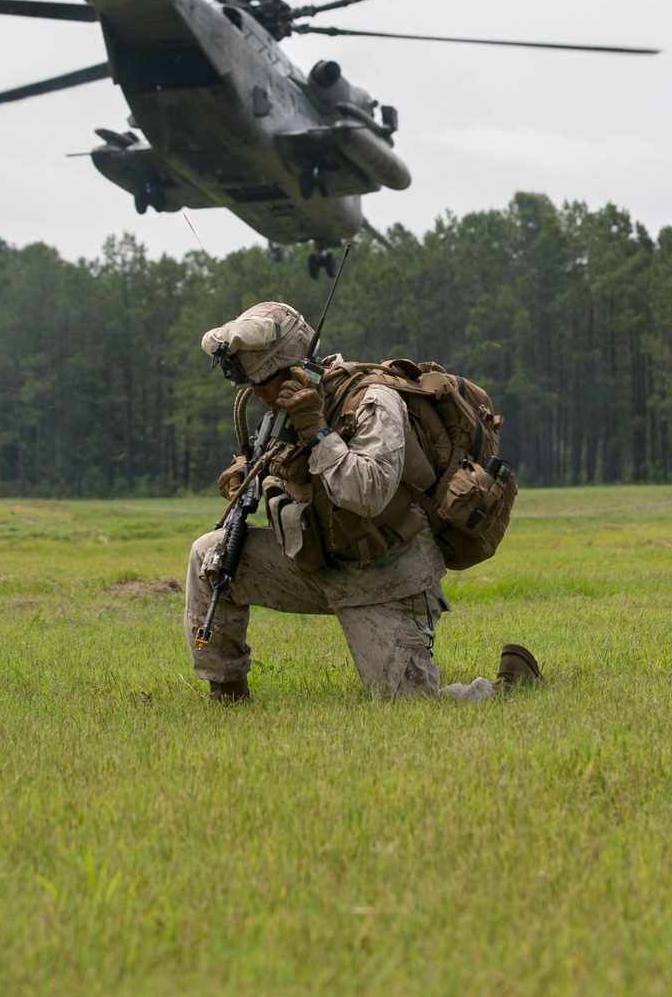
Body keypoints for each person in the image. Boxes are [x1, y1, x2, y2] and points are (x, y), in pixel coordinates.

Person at [184, 300, 541, 702]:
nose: (258, 394)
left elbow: (369, 492)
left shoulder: (372, 401)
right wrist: (248, 470)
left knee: (410, 709)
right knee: (210, 557)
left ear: (289, 368)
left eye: (263, 382)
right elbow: (299, 473)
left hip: (388, 577)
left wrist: (317, 431)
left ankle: (506, 688)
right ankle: (227, 694)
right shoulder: (285, 408)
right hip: (322, 564)